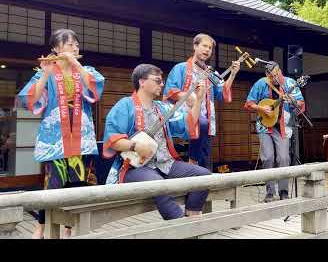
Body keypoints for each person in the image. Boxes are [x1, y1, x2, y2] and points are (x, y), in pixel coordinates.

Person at [17, 29, 104, 239]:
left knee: (79, 182)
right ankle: (41, 225)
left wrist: (75, 64)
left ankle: (68, 229)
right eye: (68, 44)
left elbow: (95, 88)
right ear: (55, 48)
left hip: (80, 137)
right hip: (55, 138)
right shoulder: (44, 72)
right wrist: (45, 73)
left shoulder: (85, 69)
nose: (74, 48)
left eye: (76, 44)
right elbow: (30, 100)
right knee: (53, 183)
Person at [103, 64, 211, 220]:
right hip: (135, 167)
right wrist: (136, 145)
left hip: (166, 163)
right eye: (158, 80)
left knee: (204, 175)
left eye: (162, 81)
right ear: (142, 82)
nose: (162, 84)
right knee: (158, 184)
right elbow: (113, 140)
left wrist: (198, 99)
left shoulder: (162, 107)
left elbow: (188, 124)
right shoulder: (125, 105)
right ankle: (181, 225)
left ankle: (192, 216)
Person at [163, 34, 240, 171]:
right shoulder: (181, 68)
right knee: (202, 123)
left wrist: (233, 74)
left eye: (210, 48)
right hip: (183, 115)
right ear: (195, 46)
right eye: (204, 46)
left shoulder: (211, 73)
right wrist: (189, 96)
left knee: (205, 153)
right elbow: (170, 91)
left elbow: (222, 93)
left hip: (206, 116)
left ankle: (201, 183)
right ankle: (193, 161)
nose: (207, 50)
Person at [244, 61, 305, 203]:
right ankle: (270, 192)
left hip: (283, 127)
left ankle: (283, 191)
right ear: (267, 76)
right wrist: (260, 109)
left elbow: (301, 106)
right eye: (271, 76)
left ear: (280, 71)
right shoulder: (261, 83)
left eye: (277, 74)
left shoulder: (290, 83)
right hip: (265, 126)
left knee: (283, 158)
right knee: (268, 158)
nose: (275, 78)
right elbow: (249, 103)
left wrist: (292, 101)